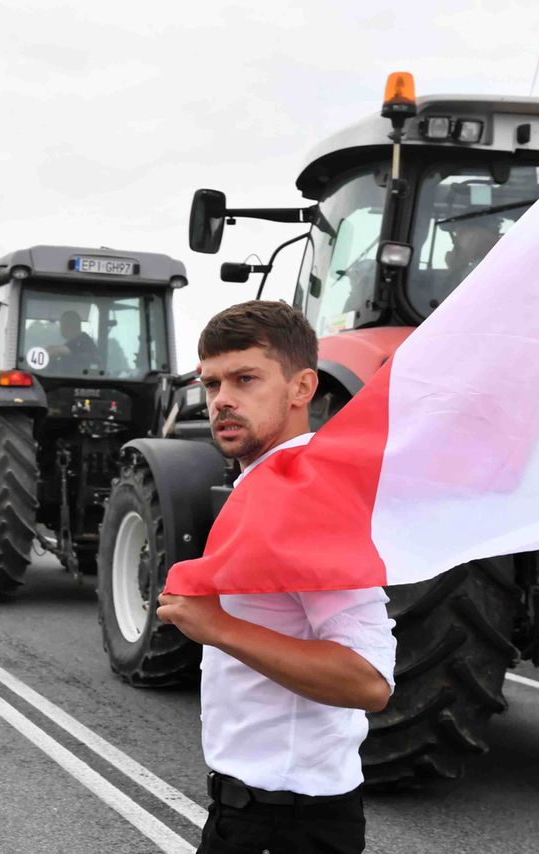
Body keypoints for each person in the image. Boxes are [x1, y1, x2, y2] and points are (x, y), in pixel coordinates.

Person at [156, 300, 396, 854]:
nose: (222, 400)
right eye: (211, 383)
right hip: (258, 815)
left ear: (301, 387)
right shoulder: (269, 485)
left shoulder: (305, 496)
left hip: (287, 825)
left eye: (245, 379)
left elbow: (367, 681)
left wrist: (216, 627)